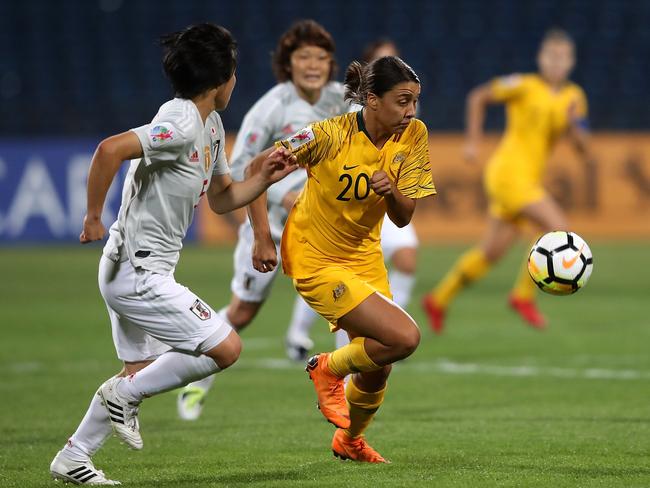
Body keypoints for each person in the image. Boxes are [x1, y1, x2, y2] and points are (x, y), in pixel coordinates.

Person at [49, 23, 296, 485]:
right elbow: (109, 150)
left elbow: (223, 198)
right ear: (221, 79)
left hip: (138, 268)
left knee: (141, 371)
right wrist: (92, 217)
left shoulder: (211, 125)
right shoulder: (180, 122)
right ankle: (122, 396)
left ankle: (74, 455)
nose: (236, 80)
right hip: (137, 271)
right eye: (234, 71)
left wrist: (263, 177)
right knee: (225, 348)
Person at [176, 19, 350, 421]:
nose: (313, 65)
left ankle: (351, 402)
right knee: (243, 313)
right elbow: (239, 169)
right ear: (287, 63)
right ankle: (194, 379)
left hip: (321, 231)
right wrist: (284, 195)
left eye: (321, 58)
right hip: (269, 226)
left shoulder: (340, 101)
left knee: (346, 304)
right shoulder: (273, 106)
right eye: (303, 57)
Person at [273, 56, 436, 462]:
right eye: (402, 101)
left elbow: (403, 215)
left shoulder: (414, 135)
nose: (410, 111)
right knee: (404, 338)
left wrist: (391, 190)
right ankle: (326, 368)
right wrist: (261, 234)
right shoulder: (327, 135)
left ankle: (349, 441)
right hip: (314, 256)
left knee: (379, 365)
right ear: (371, 100)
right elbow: (263, 167)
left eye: (414, 101)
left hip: (363, 257)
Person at [421, 29, 593, 333]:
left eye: (563, 57)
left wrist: (574, 126)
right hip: (508, 173)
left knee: (491, 252)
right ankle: (522, 295)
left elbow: (582, 148)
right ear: (541, 58)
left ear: (571, 62)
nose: (556, 63)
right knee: (560, 230)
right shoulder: (524, 85)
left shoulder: (574, 98)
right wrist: (472, 141)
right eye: (551, 56)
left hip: (527, 178)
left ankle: (438, 299)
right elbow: (478, 96)